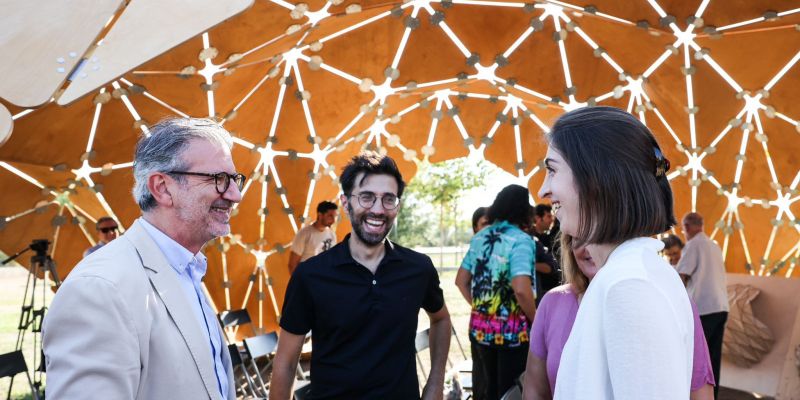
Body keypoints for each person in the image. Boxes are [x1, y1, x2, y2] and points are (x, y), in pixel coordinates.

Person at [43, 118, 242, 399]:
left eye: (234, 179)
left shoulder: (187, 268)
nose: (235, 195)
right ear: (162, 188)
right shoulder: (99, 289)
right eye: (219, 179)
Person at [537, 106, 694, 399]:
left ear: (595, 179)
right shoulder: (628, 274)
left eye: (552, 170)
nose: (543, 190)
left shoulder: (629, 285)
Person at [269, 152, 451, 400]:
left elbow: (441, 320)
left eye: (389, 199)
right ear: (346, 203)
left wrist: (435, 384)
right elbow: (286, 363)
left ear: (397, 206)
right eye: (366, 197)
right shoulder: (310, 275)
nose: (378, 209)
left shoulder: (418, 269)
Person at [522, 234, 715, 400]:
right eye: (579, 238)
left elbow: (699, 391)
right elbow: (535, 392)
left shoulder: (672, 301)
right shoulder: (554, 303)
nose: (589, 247)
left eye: (602, 236)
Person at [455, 184, 537, 400]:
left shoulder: (480, 238)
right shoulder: (521, 240)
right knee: (510, 393)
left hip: (479, 331)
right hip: (512, 334)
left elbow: (460, 281)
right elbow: (521, 289)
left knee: (486, 391)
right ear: (523, 209)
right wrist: (536, 320)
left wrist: (481, 308)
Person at [676, 212, 730, 399]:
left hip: (704, 308)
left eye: (683, 229)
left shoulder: (693, 245)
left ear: (687, 227)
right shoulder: (714, 245)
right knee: (713, 358)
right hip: (721, 307)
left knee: (696, 358)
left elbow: (681, 277)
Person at [288, 200, 338, 273]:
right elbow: (292, 264)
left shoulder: (332, 234)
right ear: (320, 215)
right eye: (330, 216)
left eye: (335, 216)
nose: (333, 220)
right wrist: (299, 280)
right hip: (308, 277)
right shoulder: (304, 234)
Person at [530, 204, 561, 302]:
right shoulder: (528, 239)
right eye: (548, 216)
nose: (551, 220)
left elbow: (552, 266)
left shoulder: (549, 238)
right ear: (538, 218)